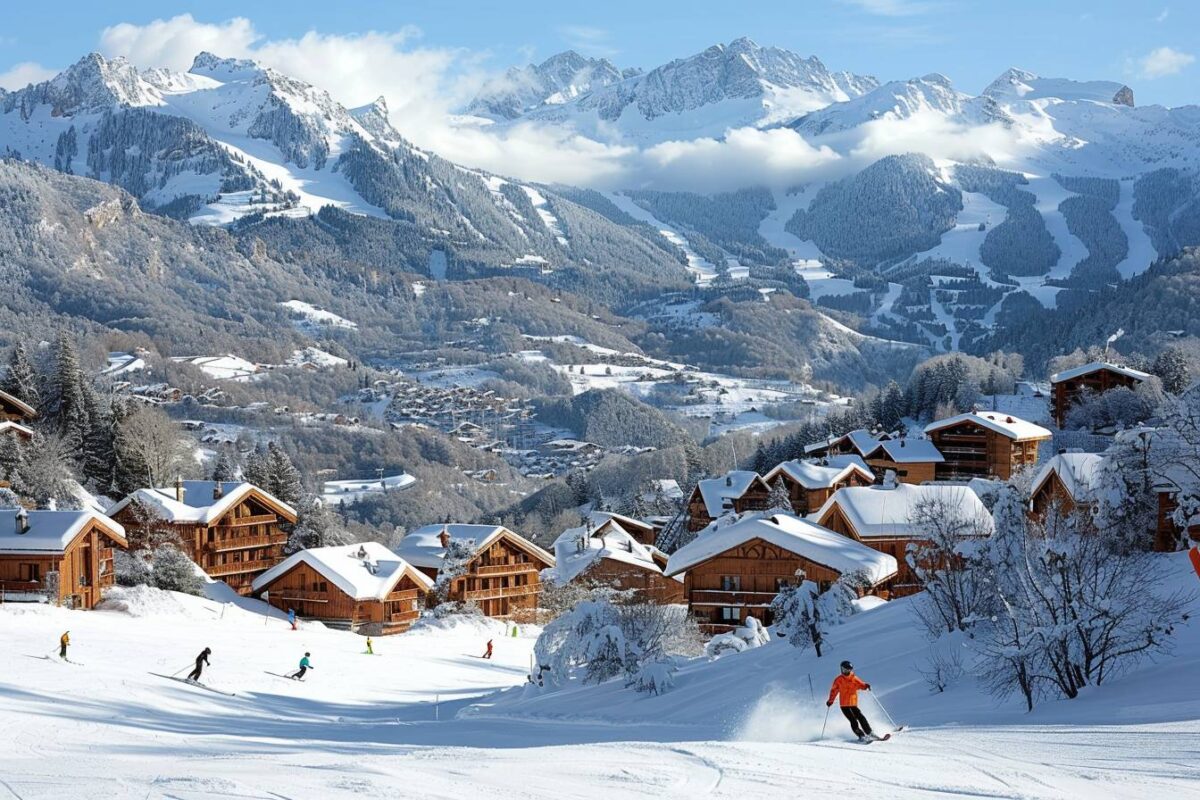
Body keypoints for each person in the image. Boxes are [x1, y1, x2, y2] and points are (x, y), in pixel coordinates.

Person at [826, 660, 877, 741]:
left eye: (848, 670)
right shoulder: (838, 680)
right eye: (844, 669)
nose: (846, 671)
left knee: (861, 717)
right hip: (844, 705)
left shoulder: (854, 678)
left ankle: (870, 732)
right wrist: (830, 701)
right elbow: (834, 691)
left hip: (853, 703)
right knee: (853, 720)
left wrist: (866, 686)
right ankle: (861, 736)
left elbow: (861, 685)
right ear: (841, 669)